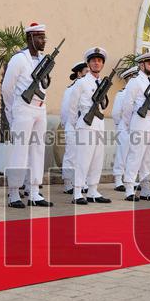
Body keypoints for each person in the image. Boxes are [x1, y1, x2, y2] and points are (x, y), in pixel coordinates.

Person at [3, 22, 53, 207]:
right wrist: (12, 111)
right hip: (23, 108)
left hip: (40, 109)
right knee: (19, 151)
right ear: (30, 38)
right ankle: (14, 192)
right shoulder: (18, 59)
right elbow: (7, 89)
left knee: (37, 150)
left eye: (44, 37)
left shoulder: (42, 60)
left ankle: (34, 191)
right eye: (39, 37)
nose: (43, 41)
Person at [68, 47, 112, 204]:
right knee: (83, 160)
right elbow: (72, 108)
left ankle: (93, 190)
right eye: (93, 60)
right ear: (88, 63)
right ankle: (78, 192)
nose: (96, 63)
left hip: (99, 124)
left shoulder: (102, 82)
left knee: (97, 160)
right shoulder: (81, 83)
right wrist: (75, 126)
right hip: (86, 125)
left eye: (99, 61)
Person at [121, 51, 150, 201]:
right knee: (135, 156)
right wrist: (128, 124)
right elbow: (127, 105)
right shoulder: (135, 81)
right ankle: (129, 189)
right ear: (141, 64)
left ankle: (146, 188)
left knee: (148, 158)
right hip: (139, 123)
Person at [60, 61, 87, 195]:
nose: (88, 74)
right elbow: (65, 110)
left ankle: (80, 181)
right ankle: (68, 182)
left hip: (84, 126)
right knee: (71, 155)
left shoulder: (88, 87)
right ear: (79, 73)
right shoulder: (71, 89)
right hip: (72, 125)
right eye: (86, 72)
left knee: (83, 156)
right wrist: (69, 125)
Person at [111, 67, 137, 191]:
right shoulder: (122, 94)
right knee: (122, 153)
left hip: (136, 126)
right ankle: (118, 180)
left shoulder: (138, 93)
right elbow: (116, 113)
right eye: (134, 77)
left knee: (133, 154)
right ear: (129, 79)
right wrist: (119, 125)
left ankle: (129, 179)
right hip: (124, 126)